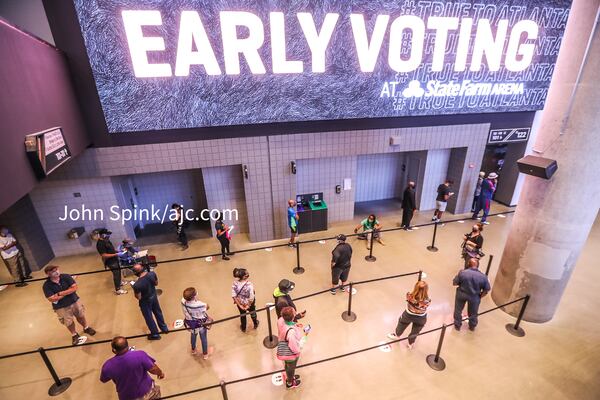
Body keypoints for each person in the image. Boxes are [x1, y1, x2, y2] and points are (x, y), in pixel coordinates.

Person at [42, 265, 96, 345]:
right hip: (61, 307)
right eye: (53, 271)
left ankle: (86, 328)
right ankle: (74, 334)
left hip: (74, 301)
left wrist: (59, 293)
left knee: (81, 315)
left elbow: (74, 288)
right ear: (48, 274)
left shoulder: (66, 277)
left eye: (56, 269)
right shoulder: (46, 285)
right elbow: (52, 299)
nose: (56, 272)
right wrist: (68, 291)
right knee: (68, 322)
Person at [100, 336, 164, 400]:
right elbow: (153, 369)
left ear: (114, 350)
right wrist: (160, 373)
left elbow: (103, 379)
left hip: (127, 396)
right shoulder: (140, 355)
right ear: (128, 346)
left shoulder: (108, 366)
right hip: (147, 391)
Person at [387, 281, 431, 349]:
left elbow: (411, 300)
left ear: (415, 288)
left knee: (402, 323)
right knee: (415, 331)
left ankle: (397, 335)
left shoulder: (409, 295)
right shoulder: (428, 300)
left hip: (408, 315)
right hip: (421, 317)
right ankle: (410, 343)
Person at [453, 258, 491, 331]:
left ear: (468, 264)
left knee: (458, 310)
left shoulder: (462, 273)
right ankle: (472, 326)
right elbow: (486, 290)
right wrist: (480, 296)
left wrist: (458, 274)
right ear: (478, 266)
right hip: (474, 297)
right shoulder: (483, 277)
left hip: (461, 294)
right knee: (473, 312)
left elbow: (455, 283)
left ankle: (457, 325)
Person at [132, 264, 168, 340]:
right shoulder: (152, 274)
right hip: (154, 296)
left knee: (149, 318)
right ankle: (164, 329)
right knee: (158, 312)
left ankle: (155, 334)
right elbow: (156, 283)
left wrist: (134, 289)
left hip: (145, 301)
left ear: (135, 273)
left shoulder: (137, 285)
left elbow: (138, 297)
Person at [277, 306, 309, 389]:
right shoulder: (291, 333)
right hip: (291, 355)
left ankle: (290, 376)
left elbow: (285, 327)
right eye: (294, 313)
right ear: (292, 317)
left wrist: (294, 325)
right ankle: (290, 382)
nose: (296, 313)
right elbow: (295, 347)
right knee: (291, 368)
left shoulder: (280, 320)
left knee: (287, 366)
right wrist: (305, 335)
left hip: (283, 345)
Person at [96, 229, 128, 295]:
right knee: (116, 274)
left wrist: (118, 251)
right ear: (102, 235)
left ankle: (119, 282)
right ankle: (118, 289)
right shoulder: (100, 244)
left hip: (115, 259)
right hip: (110, 262)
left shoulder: (106, 240)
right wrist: (116, 254)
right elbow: (104, 255)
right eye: (107, 234)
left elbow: (111, 249)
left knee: (119, 271)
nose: (109, 236)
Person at [181, 287, 210, 359]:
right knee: (203, 338)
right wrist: (197, 301)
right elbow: (207, 306)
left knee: (193, 335)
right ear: (194, 296)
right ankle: (205, 354)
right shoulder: (199, 304)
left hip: (191, 323)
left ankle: (193, 350)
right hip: (200, 324)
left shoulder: (183, 301)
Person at [232, 268, 259, 332]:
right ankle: (255, 323)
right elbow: (251, 297)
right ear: (243, 276)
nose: (248, 274)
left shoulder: (235, 283)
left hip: (240, 302)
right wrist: (248, 305)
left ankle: (243, 328)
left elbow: (234, 296)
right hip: (250, 303)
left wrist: (240, 305)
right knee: (252, 312)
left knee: (242, 315)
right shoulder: (249, 285)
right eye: (246, 274)